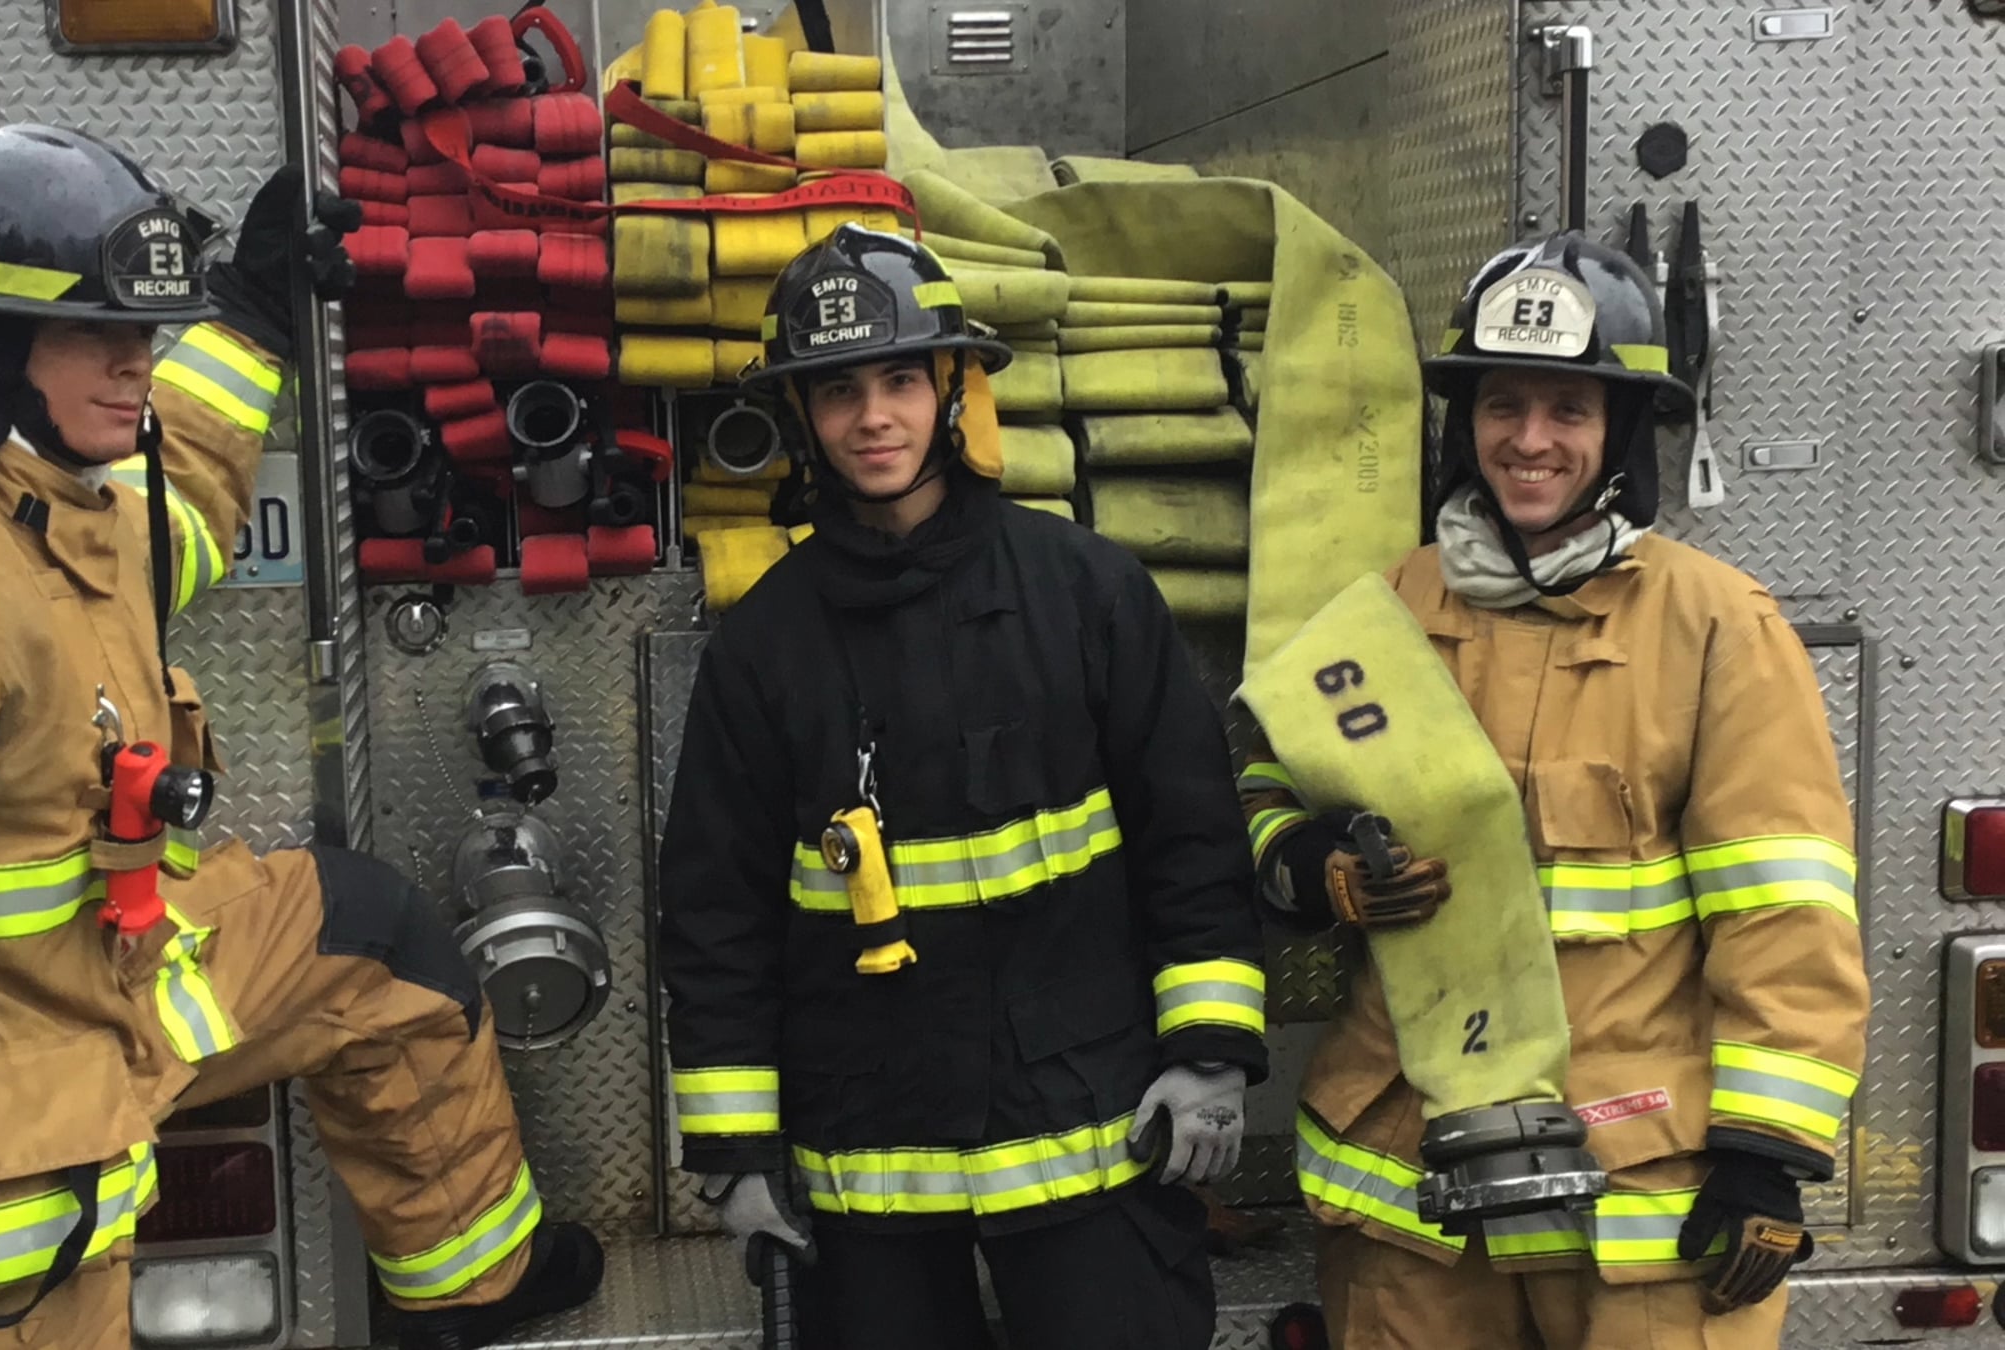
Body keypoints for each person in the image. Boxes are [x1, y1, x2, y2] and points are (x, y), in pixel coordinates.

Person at [0, 124, 600, 1350]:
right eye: (96, 335)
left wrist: (253, 322)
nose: (136, 363)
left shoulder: (37, 501)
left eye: (144, 333)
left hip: (104, 977)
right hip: (9, 1128)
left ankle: (468, 1290)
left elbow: (177, 518)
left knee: (370, 935)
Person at [1241, 232, 1869, 1348]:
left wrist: (1766, 1154)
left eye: (1569, 410)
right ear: (1465, 424)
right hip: (1411, 1197)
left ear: (1620, 431)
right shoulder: (1384, 614)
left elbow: (1785, 909)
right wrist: (1309, 862)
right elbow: (1261, 782)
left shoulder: (1717, 626)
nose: (1531, 441)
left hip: (1639, 1203)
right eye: (1503, 405)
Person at [657, 225, 1269, 1349]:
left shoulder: (1086, 592)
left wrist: (1209, 1049)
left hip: (1093, 1136)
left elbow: (1191, 838)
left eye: (900, 379)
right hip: (867, 1168)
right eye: (837, 390)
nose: (873, 417)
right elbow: (715, 916)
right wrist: (735, 1150)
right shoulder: (764, 649)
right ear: (800, 415)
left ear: (951, 390)